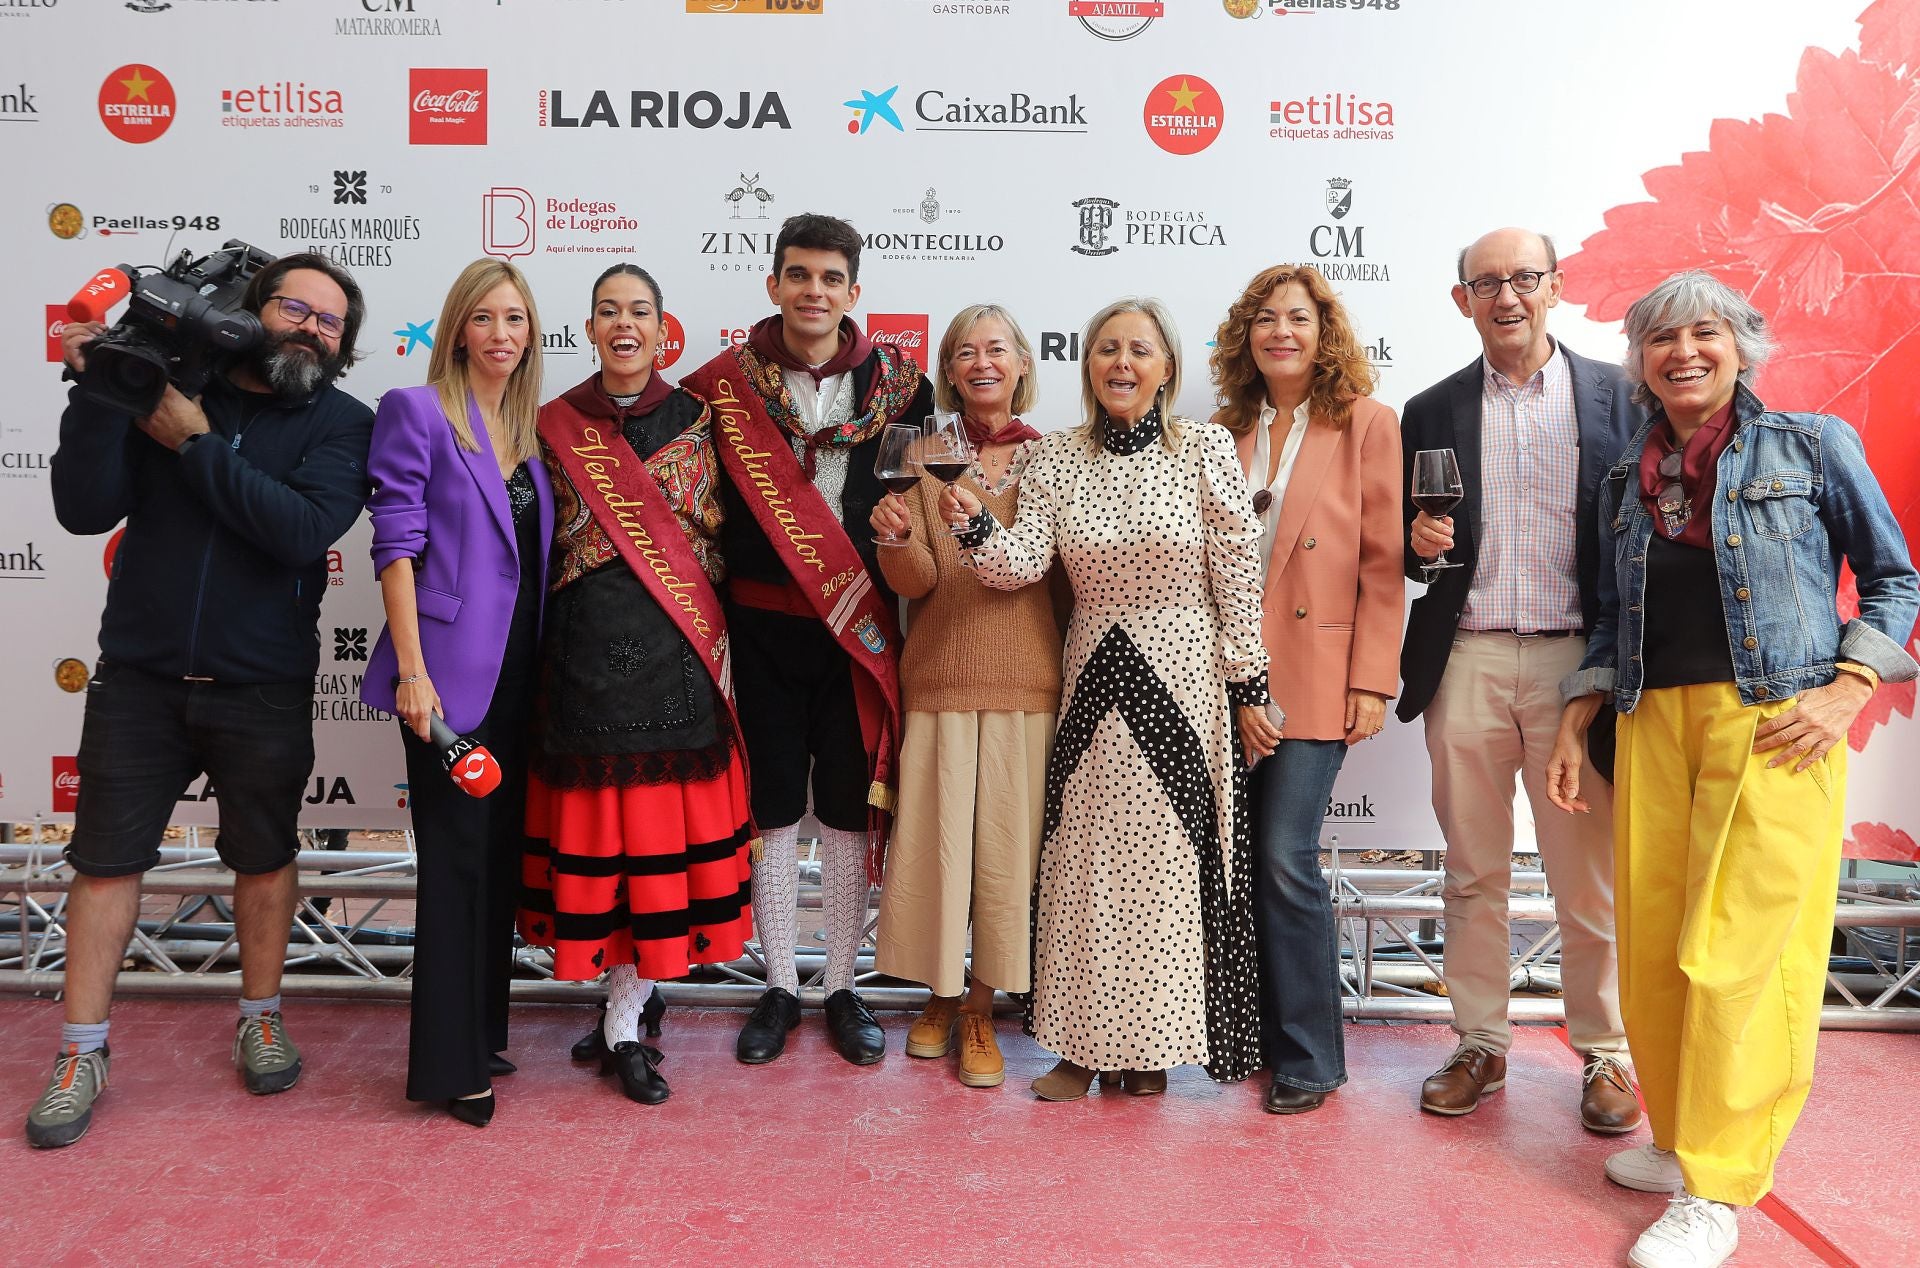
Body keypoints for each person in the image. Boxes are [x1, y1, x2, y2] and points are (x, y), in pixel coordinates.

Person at [1546, 271, 1917, 1268]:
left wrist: (1849, 686)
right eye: (1662, 338)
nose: (1684, 352)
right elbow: (1613, 620)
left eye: (1704, 332)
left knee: (1743, 960)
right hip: (1651, 726)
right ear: (1642, 363)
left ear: (1741, 344)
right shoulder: (1628, 481)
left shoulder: (1810, 443)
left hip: (1772, 726)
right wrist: (1579, 710)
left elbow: (1894, 577)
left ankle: (1718, 1187)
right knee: (1660, 951)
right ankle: (1683, 1140)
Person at [30, 252, 373, 1149]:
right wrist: (103, 391)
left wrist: (192, 441)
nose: (310, 328)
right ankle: (80, 1051)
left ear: (344, 347)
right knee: (104, 865)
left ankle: (260, 1016)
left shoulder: (344, 424)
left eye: (330, 322)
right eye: (294, 308)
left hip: (262, 684)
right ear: (253, 314)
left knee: (261, 858)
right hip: (138, 679)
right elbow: (81, 507)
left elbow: (300, 531)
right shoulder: (177, 384)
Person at [944, 297, 1270, 1101]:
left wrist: (1250, 685)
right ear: (1087, 366)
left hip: (1185, 672)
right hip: (1093, 668)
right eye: (1106, 349)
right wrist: (970, 520)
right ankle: (1078, 1049)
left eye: (1140, 350)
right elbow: (1019, 564)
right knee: (1081, 864)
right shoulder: (1055, 456)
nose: (1122, 362)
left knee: (1165, 868)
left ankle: (1150, 1049)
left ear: (1166, 369)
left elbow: (1236, 572)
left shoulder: (1205, 448)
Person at [1398, 227, 1644, 1131]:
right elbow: (1399, 541)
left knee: (1589, 879)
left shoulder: (1621, 396)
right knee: (1472, 872)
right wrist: (1414, 548)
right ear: (1461, 299)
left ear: (1556, 287)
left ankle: (1608, 1056)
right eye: (1486, 282)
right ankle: (1480, 1044)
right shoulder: (1426, 409)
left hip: (1577, 663)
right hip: (1464, 658)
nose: (1507, 296)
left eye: (1524, 278)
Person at [680, 213, 931, 1067]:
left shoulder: (908, 389)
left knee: (850, 811)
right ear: (773, 283)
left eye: (830, 278)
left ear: (854, 292)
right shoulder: (718, 387)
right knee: (775, 809)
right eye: (798, 275)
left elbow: (928, 511)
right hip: (756, 629)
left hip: (859, 629)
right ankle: (781, 985)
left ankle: (841, 987)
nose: (813, 291)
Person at [519, 263, 757, 1106]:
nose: (625, 324)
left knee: (649, 847)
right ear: (588, 328)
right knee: (606, 847)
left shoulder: (702, 420)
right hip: (581, 660)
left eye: (640, 312)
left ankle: (627, 1014)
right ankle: (623, 1008)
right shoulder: (549, 424)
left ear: (664, 329)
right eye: (608, 311)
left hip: (677, 655)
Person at [359, 259, 552, 1127]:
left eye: (516, 319)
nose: (502, 334)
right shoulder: (416, 411)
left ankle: (481, 1030)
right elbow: (394, 547)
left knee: (495, 862)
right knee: (453, 865)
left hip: (516, 678)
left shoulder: (524, 432)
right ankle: (448, 1065)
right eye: (486, 318)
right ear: (458, 328)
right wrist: (411, 671)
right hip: (441, 678)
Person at [1208, 265, 1402, 1115]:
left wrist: (1372, 681)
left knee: (1286, 860)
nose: (1280, 332)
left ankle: (1312, 1058)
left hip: (1317, 677)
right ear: (1245, 337)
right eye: (1264, 319)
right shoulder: (1216, 430)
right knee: (1235, 865)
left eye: (1298, 318)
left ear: (1324, 333)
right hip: (1221, 678)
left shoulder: (1366, 424)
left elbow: (1385, 567)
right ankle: (1249, 1034)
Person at [869, 305, 1064, 1090]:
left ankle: (984, 1004)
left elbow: (1062, 575)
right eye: (964, 353)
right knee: (939, 855)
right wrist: (895, 541)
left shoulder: (1056, 460)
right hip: (940, 674)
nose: (982, 363)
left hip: (1027, 679)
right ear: (947, 372)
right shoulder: (920, 453)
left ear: (1022, 362)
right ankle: (942, 995)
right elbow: (916, 584)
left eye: (997, 349)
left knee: (1005, 860)